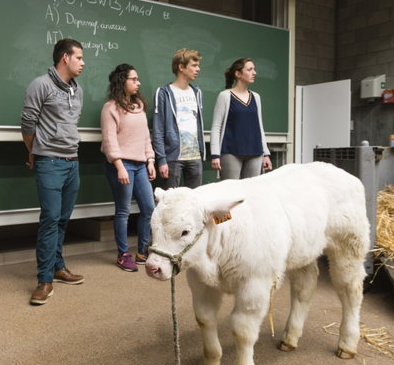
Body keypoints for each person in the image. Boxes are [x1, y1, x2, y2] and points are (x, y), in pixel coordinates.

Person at [21, 38, 86, 305]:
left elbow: (72, 123)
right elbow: (28, 123)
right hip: (49, 161)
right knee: (50, 220)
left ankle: (58, 267)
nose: (83, 63)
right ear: (65, 58)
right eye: (79, 57)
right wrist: (34, 151)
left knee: (62, 220)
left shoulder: (77, 90)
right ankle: (44, 280)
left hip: (73, 162)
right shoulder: (41, 85)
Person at [100, 64, 156, 271]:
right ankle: (123, 255)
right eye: (133, 79)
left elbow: (145, 137)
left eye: (137, 79)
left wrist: (150, 160)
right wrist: (119, 166)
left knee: (149, 208)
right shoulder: (110, 108)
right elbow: (109, 140)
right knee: (123, 210)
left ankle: (142, 251)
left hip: (140, 165)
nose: (138, 83)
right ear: (122, 81)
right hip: (121, 165)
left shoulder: (139, 106)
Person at [210, 57, 272, 180]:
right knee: (231, 190)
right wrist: (215, 155)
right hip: (231, 152)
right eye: (250, 69)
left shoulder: (256, 97)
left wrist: (266, 153)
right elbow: (216, 127)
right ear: (238, 74)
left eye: (254, 69)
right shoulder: (225, 96)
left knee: (251, 189)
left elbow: (259, 126)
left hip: (255, 152)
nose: (254, 73)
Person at [152, 48, 206, 188]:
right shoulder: (164, 92)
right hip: (173, 157)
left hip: (195, 156)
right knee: (172, 198)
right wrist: (162, 159)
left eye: (198, 65)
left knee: (195, 198)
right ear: (181, 67)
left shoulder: (197, 92)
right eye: (194, 65)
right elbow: (158, 129)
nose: (198, 69)